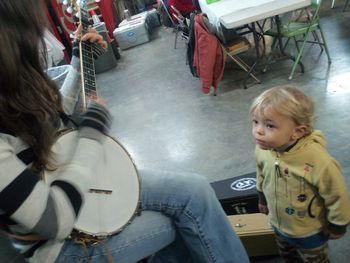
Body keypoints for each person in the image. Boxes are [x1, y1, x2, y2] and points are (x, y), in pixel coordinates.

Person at [0, 1, 249, 262]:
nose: (39, 41)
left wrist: (79, 62)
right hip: (59, 248)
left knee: (195, 190)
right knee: (181, 219)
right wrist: (92, 133)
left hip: (78, 183)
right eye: (31, 33)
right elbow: (55, 220)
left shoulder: (14, 86)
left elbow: (52, 116)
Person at [249, 86, 350, 262]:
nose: (258, 130)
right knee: (288, 256)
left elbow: (336, 194)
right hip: (278, 224)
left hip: (309, 231)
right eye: (255, 122)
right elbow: (261, 173)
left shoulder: (318, 161)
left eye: (269, 125)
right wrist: (261, 198)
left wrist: (338, 224)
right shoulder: (263, 149)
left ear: (297, 132)